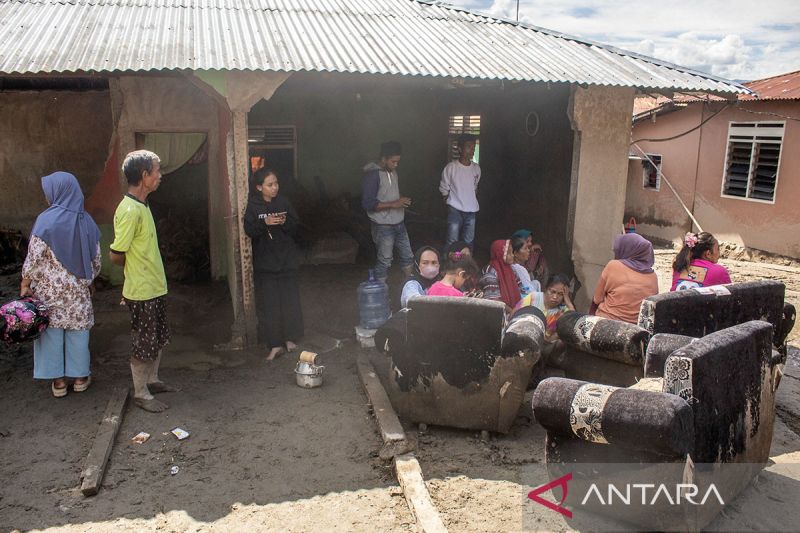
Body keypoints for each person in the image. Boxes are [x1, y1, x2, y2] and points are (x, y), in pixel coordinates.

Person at [20, 172, 101, 398]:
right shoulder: (87, 222)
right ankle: (80, 378)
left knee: (51, 332)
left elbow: (33, 259)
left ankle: (58, 382)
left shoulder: (45, 220)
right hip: (78, 293)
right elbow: (96, 260)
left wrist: (25, 283)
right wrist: (89, 279)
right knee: (78, 333)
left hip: (49, 293)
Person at [110, 150, 176, 413]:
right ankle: (140, 393)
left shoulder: (143, 205)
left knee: (157, 338)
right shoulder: (129, 210)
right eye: (157, 171)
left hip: (154, 286)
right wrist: (136, 271)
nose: (160, 176)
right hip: (142, 291)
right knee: (144, 341)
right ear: (144, 175)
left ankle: (153, 380)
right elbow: (116, 255)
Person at [244, 168, 304, 361]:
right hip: (266, 264)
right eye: (270, 185)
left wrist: (285, 222)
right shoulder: (253, 206)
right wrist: (266, 223)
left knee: (289, 302)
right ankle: (275, 344)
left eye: (276, 183)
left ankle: (290, 339)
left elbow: (296, 227)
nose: (274, 188)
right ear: (259, 187)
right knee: (270, 305)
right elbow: (249, 230)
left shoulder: (283, 202)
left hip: (286, 261)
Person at [361, 141, 414, 282]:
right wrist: (394, 204)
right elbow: (367, 204)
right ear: (383, 159)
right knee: (385, 260)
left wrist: (399, 203)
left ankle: (412, 290)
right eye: (393, 161)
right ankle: (381, 294)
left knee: (408, 256)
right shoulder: (372, 175)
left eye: (398, 161)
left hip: (399, 223)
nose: (396, 165)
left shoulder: (393, 172)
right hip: (383, 225)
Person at [590, 233, 659, 324]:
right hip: (634, 330)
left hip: (605, 324)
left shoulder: (613, 265)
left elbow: (597, 299)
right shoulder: (653, 277)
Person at [440, 134, 481, 251]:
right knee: (452, 240)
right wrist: (448, 201)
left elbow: (475, 187)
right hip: (455, 209)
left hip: (471, 210)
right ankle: (450, 266)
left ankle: (466, 266)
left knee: (468, 241)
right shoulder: (451, 168)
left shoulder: (476, 168)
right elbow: (444, 187)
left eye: (473, 147)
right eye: (469, 147)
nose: (472, 150)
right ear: (460, 149)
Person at [514, 274, 575, 343]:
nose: (555, 297)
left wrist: (568, 302)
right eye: (552, 292)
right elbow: (513, 315)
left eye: (560, 294)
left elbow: (573, 323)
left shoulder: (563, 310)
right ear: (546, 289)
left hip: (544, 345)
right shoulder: (533, 298)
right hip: (520, 338)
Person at [479, 239, 521, 313]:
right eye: (509, 253)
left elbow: (521, 288)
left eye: (512, 252)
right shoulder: (490, 271)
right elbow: (493, 300)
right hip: (498, 314)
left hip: (515, 312)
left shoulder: (512, 270)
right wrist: (512, 312)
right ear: (500, 253)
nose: (512, 255)